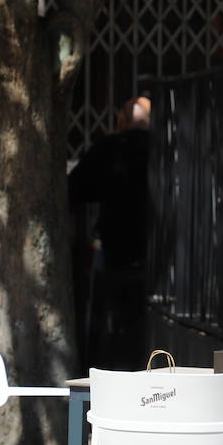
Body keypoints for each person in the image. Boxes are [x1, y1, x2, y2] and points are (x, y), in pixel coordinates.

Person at [69, 96, 152, 369]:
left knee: (109, 330)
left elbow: (76, 189)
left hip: (116, 252)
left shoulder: (110, 149)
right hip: (156, 261)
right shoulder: (159, 149)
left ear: (121, 122)